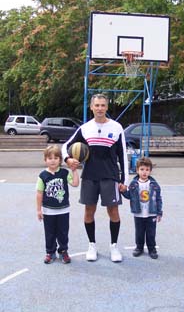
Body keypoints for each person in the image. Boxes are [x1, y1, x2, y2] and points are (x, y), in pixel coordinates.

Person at [62, 93, 129, 262]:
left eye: (103, 105)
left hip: (111, 177)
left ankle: (114, 246)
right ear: (91, 107)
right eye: (97, 105)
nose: (100, 108)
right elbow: (65, 146)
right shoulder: (85, 128)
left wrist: (124, 181)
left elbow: (123, 156)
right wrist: (68, 159)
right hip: (90, 176)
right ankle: (92, 244)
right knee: (88, 212)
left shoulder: (116, 127)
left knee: (113, 212)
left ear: (107, 107)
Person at [36, 145, 79, 264]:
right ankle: (50, 252)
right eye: (50, 158)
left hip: (63, 210)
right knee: (49, 233)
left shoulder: (64, 173)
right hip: (48, 211)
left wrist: (74, 170)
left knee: (63, 233)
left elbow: (75, 184)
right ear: (45, 160)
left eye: (55, 158)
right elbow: (39, 193)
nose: (53, 160)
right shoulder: (43, 176)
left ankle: (63, 251)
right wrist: (39, 210)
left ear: (60, 160)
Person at [120, 157, 162, 259]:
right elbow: (129, 195)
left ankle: (152, 249)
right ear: (137, 170)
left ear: (150, 171)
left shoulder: (154, 185)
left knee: (151, 233)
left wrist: (159, 212)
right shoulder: (134, 184)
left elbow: (158, 199)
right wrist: (122, 191)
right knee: (139, 232)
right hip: (138, 213)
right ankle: (139, 247)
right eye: (142, 169)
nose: (144, 172)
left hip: (151, 213)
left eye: (147, 170)